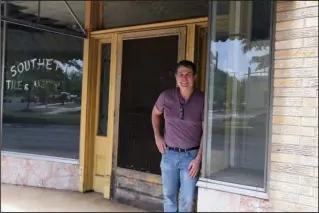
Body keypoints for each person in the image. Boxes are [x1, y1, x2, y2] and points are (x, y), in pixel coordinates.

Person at [151, 60, 204, 212]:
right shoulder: (166, 96)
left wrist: (198, 159)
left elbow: (206, 133)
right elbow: (155, 113)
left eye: (188, 74)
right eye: (180, 74)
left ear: (195, 77)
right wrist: (157, 136)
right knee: (169, 196)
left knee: (188, 199)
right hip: (169, 155)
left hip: (190, 157)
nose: (184, 78)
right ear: (176, 77)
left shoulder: (202, 100)